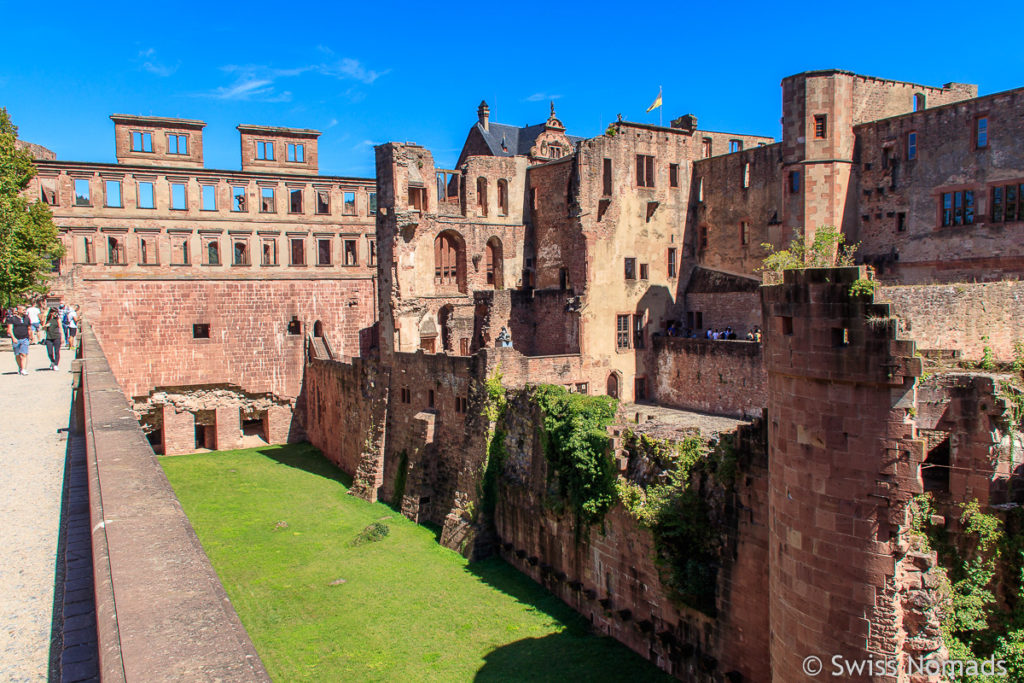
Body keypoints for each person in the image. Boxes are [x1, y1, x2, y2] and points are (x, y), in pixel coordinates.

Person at [5, 304, 32, 375]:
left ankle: (23, 369)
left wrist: (30, 337)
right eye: (23, 310)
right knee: (17, 355)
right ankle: (20, 367)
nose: (24, 311)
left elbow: (29, 328)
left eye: (25, 310)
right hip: (16, 339)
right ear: (18, 310)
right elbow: (10, 329)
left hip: (25, 338)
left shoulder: (27, 318)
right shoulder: (12, 319)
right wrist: (13, 338)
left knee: (24, 354)